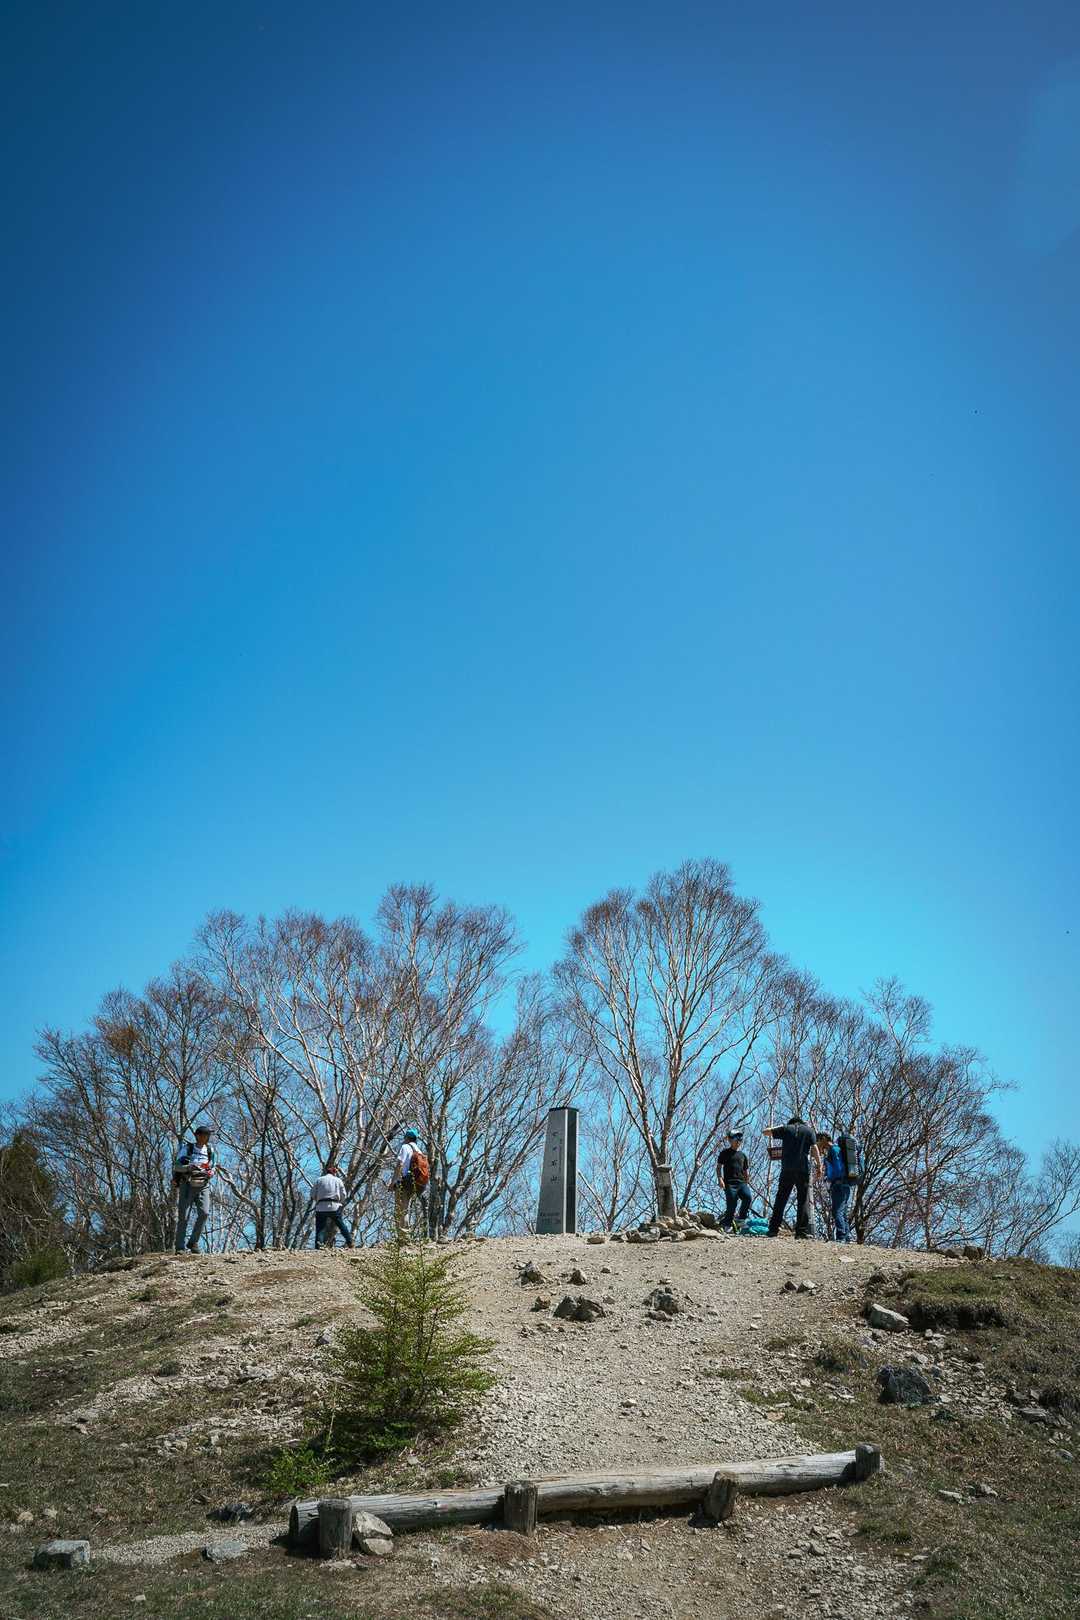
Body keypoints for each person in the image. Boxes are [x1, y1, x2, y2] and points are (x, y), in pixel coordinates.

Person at [763, 1115, 822, 1240]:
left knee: (781, 1199)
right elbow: (815, 1148)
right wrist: (819, 1166)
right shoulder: (809, 1130)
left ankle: (773, 1229)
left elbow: (765, 1132)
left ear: (791, 1122)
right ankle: (801, 1232)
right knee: (803, 1200)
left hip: (787, 1169)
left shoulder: (786, 1128)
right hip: (803, 1169)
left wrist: (781, 1127)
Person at [173, 1124, 215, 1253]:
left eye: (207, 1135)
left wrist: (210, 1172)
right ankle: (180, 1247)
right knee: (184, 1216)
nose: (204, 1137)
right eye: (202, 1135)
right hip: (187, 1184)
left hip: (203, 1184)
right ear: (197, 1135)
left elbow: (213, 1166)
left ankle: (193, 1242)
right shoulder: (187, 1148)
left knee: (204, 1213)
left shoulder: (210, 1150)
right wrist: (189, 1167)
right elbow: (177, 1166)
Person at [822, 1126, 860, 1243]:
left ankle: (841, 1236)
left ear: (823, 1139)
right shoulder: (840, 1150)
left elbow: (838, 1168)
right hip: (846, 1184)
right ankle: (847, 1237)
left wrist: (830, 1178)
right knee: (842, 1212)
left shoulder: (834, 1150)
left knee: (837, 1211)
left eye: (818, 1141)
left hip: (839, 1183)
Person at [390, 1129, 427, 1238]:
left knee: (401, 1209)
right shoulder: (419, 1151)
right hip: (416, 1183)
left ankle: (403, 1237)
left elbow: (400, 1164)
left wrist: (393, 1182)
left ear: (406, 1138)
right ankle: (405, 1235)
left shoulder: (405, 1147)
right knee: (405, 1209)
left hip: (405, 1182)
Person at [311, 1161, 354, 1249]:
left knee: (320, 1228)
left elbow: (312, 1194)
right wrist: (340, 1202)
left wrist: (318, 1200)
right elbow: (343, 1194)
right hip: (334, 1206)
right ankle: (350, 1242)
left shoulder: (319, 1180)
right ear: (334, 1173)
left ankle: (319, 1246)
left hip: (321, 1206)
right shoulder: (338, 1180)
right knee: (341, 1225)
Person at [717, 1129, 754, 1230]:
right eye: (736, 1140)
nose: (738, 1142)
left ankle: (741, 1220)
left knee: (747, 1197)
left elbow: (745, 1170)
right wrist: (720, 1179)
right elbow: (719, 1167)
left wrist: (747, 1179)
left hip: (741, 1182)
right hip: (729, 1183)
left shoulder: (743, 1155)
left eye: (740, 1140)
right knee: (732, 1203)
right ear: (730, 1140)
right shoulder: (724, 1153)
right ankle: (727, 1224)